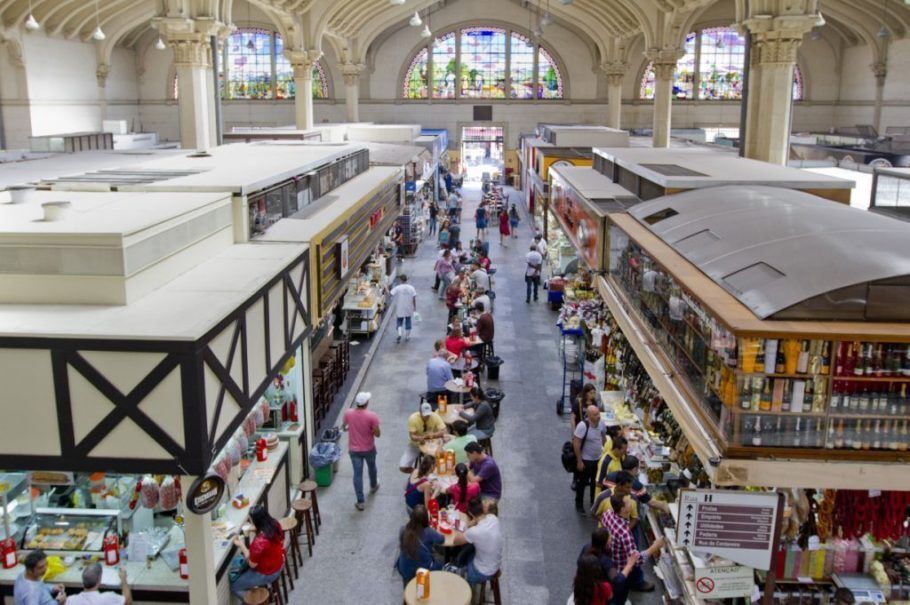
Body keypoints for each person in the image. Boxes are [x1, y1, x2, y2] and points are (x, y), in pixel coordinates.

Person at [601, 495, 665, 592]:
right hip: (620, 569)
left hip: (610, 558)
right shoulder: (625, 535)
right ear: (623, 509)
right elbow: (637, 560)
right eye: (628, 502)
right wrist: (655, 546)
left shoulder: (608, 514)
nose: (631, 502)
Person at [229, 506, 286, 598]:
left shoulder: (259, 542)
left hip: (268, 573)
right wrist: (253, 529)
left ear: (255, 522)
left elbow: (252, 564)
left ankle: (254, 602)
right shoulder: (275, 524)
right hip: (280, 561)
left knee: (234, 587)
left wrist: (241, 545)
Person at [449, 497, 502, 585]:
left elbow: (455, 541)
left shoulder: (474, 532)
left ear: (470, 513)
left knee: (447, 569)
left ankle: (460, 575)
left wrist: (459, 525)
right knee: (468, 548)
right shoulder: (493, 518)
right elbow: (477, 521)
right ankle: (459, 564)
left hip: (481, 572)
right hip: (494, 564)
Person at [343, 392, 381, 511]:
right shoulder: (372, 416)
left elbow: (344, 427)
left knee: (357, 474)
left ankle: (360, 501)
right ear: (366, 403)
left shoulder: (348, 413)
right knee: (372, 467)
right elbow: (378, 434)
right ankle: (373, 485)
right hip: (369, 448)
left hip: (354, 450)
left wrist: (351, 427)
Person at [578, 528, 636, 605]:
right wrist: (629, 565)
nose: (611, 538)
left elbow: (579, 562)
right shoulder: (605, 561)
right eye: (609, 537)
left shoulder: (587, 547)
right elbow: (618, 580)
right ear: (605, 543)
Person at [396, 504, 444, 586]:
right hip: (421, 571)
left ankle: (407, 590)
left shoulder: (403, 529)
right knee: (441, 563)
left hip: (404, 568)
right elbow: (441, 539)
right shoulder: (428, 532)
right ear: (426, 518)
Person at [573, 405, 606, 514]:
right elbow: (576, 443)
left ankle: (593, 501)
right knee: (582, 483)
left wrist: (602, 448)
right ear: (589, 415)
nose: (599, 416)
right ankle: (579, 504)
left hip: (598, 459)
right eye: (596, 414)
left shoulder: (601, 423)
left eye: (599, 413)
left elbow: (603, 437)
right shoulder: (583, 426)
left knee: (594, 482)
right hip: (586, 460)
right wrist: (579, 461)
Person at [400, 402, 447, 473]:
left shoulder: (435, 416)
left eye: (428, 414)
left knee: (439, 463)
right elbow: (412, 435)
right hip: (415, 445)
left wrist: (432, 435)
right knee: (403, 467)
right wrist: (419, 439)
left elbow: (444, 430)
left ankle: (429, 473)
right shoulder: (413, 419)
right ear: (420, 413)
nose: (427, 417)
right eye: (425, 415)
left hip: (432, 445)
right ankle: (421, 473)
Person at [67, 563, 132, 605]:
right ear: (99, 579)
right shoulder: (108, 597)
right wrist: (124, 580)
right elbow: (128, 602)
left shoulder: (70, 600)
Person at [426, 339, 454, 409]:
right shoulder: (446, 364)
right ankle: (449, 406)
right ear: (446, 357)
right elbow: (451, 380)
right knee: (453, 390)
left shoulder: (430, 361)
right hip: (442, 391)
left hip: (430, 389)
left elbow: (427, 372)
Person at [389, 274, 417, 343]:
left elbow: (391, 294)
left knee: (399, 321)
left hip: (400, 307)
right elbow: (414, 298)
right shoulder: (411, 288)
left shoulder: (397, 288)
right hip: (408, 307)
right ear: (406, 279)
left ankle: (399, 334)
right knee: (408, 320)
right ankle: (407, 336)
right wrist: (414, 307)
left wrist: (386, 289)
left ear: (400, 280)